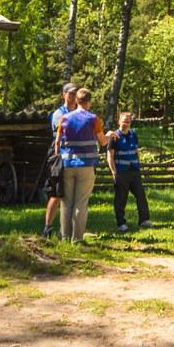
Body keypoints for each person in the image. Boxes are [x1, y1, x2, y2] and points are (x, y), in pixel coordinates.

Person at [57, 87, 105, 241]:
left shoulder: (64, 119)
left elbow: (57, 143)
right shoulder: (93, 119)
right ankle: (77, 239)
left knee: (66, 203)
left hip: (68, 165)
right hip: (86, 165)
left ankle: (65, 236)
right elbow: (102, 141)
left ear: (76, 101)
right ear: (89, 102)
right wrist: (110, 136)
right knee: (80, 203)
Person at [42, 83, 77, 238]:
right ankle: (47, 228)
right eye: (70, 94)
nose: (72, 97)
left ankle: (69, 230)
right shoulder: (58, 113)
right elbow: (64, 133)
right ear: (64, 95)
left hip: (75, 157)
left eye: (75, 94)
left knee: (73, 195)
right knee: (56, 193)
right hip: (60, 157)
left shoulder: (79, 112)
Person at [107, 111, 151, 233]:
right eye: (124, 120)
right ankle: (121, 223)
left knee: (141, 195)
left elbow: (136, 151)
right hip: (121, 172)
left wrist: (138, 165)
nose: (126, 123)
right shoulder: (114, 136)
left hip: (134, 171)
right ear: (119, 121)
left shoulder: (133, 134)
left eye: (128, 121)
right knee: (121, 198)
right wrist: (113, 172)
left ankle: (144, 220)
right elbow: (110, 156)